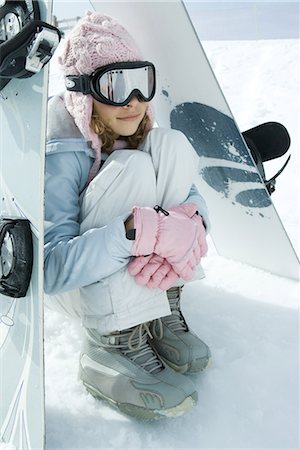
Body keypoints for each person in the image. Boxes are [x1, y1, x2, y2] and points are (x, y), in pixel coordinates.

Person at [44, 11, 211, 420]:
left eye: (141, 83)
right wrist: (135, 233)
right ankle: (111, 342)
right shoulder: (62, 152)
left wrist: (190, 227)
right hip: (77, 288)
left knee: (170, 146)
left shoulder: (137, 131)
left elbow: (192, 197)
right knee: (133, 168)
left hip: (135, 270)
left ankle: (159, 307)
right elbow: (49, 270)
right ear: (84, 93)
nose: (134, 101)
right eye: (116, 85)